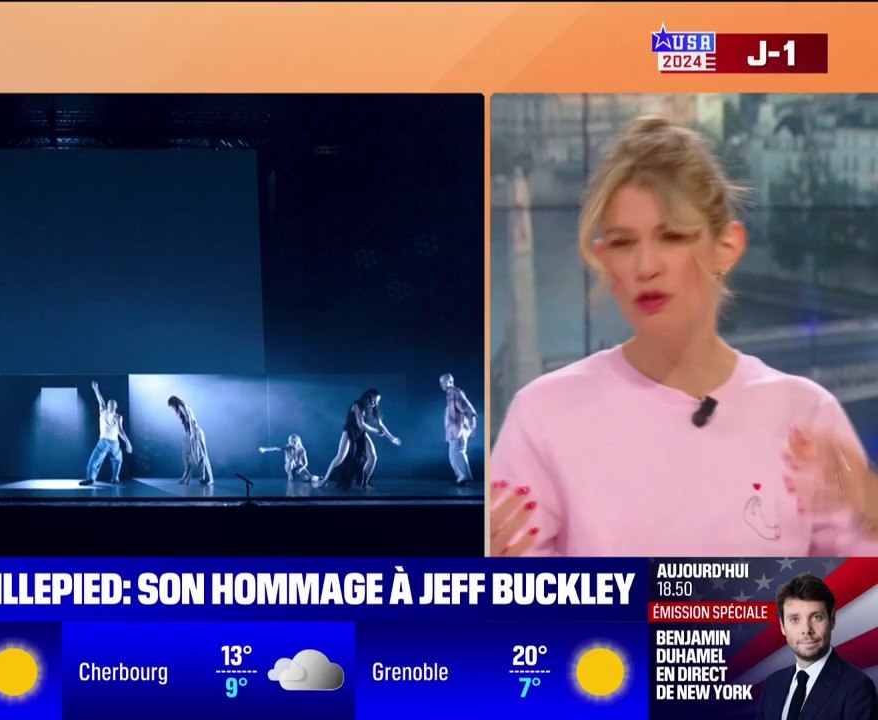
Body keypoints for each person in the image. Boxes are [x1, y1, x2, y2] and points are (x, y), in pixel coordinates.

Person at [489, 116, 870, 557]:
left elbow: (856, 617)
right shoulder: (541, 417)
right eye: (622, 243)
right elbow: (521, 620)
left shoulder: (808, 418)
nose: (645, 265)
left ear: (726, 247)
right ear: (604, 258)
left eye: (671, 237)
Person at [754, 573, 877, 720]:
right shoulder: (772, 684)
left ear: (832, 620)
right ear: (782, 626)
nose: (806, 629)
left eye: (816, 617)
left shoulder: (857, 687)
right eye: (794, 619)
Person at [318, 389, 401, 490]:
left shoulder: (374, 409)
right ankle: (325, 479)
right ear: (367, 398)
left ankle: (364, 481)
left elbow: (381, 425)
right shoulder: (357, 405)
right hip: (350, 431)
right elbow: (361, 424)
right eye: (373, 401)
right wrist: (376, 431)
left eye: (377, 402)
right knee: (340, 457)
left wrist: (391, 437)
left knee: (373, 457)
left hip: (362, 433)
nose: (375, 404)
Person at [83, 382, 133, 486]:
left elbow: (121, 431)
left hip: (114, 442)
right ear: (107, 405)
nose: (109, 406)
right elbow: (100, 399)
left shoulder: (118, 417)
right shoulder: (103, 411)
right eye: (109, 404)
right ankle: (90, 479)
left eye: (112, 405)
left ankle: (115, 478)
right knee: (94, 461)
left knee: (118, 460)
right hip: (103, 441)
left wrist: (128, 443)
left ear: (115, 407)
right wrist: (96, 389)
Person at [167, 396, 214, 486]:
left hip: (194, 433)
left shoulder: (181, 406)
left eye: (172, 406)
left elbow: (189, 418)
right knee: (191, 455)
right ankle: (197, 478)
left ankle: (205, 478)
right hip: (193, 433)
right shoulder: (184, 405)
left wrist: (191, 434)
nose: (172, 409)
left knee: (198, 456)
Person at [441, 374, 477, 484]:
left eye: (443, 382)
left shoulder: (456, 393)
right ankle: (462, 476)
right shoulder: (450, 395)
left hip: (459, 430)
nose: (441, 385)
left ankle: (464, 476)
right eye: (441, 382)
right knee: (454, 455)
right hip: (453, 431)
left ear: (450, 381)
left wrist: (472, 426)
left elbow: (469, 409)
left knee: (458, 452)